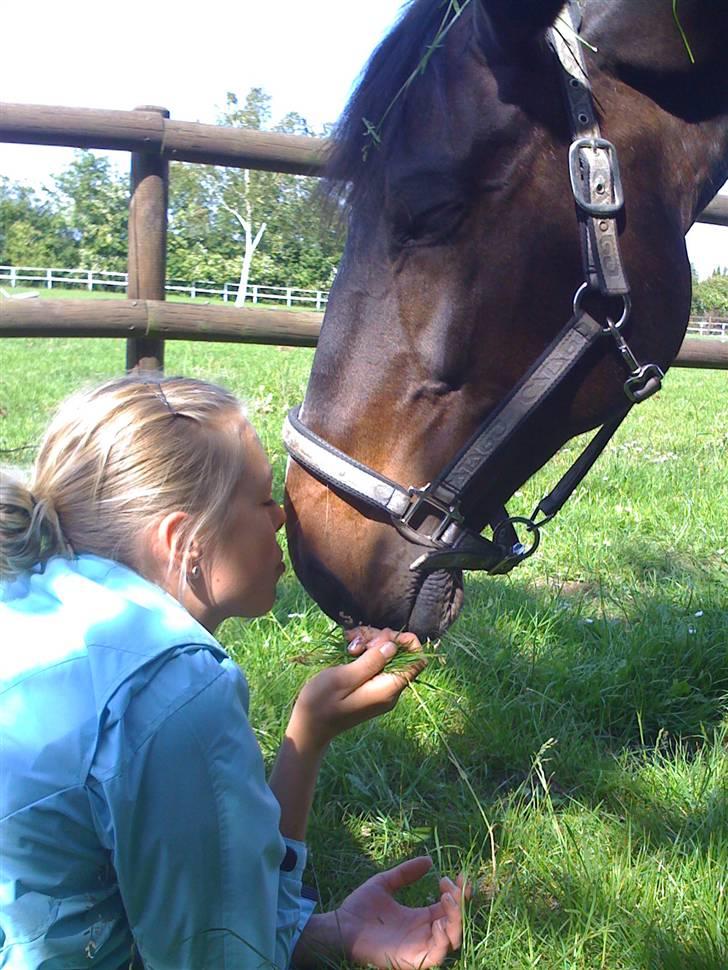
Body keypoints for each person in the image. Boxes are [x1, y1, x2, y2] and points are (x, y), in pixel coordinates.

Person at [0, 374, 468, 970]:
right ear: (184, 543)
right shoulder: (169, 687)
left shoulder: (37, 601)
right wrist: (308, 738)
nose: (282, 518)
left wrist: (322, 930)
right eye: (263, 498)